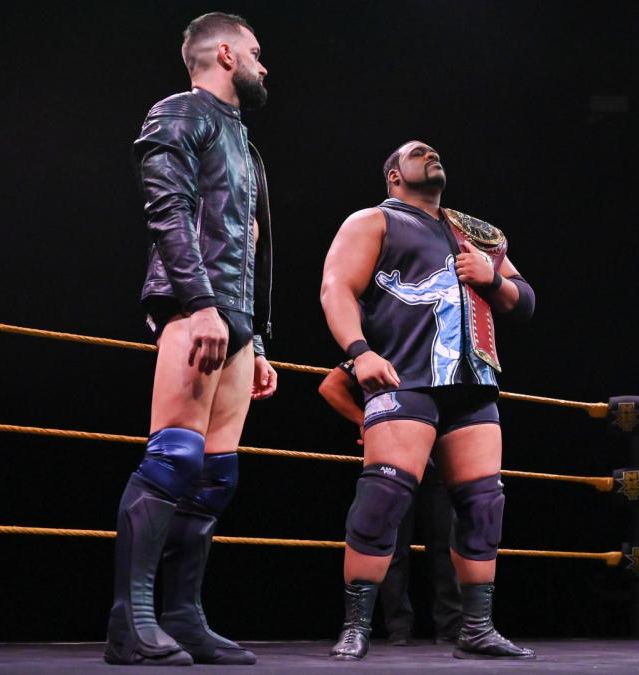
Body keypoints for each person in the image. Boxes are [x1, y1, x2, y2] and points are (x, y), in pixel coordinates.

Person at [104, 12, 276, 666]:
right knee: (174, 457)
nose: (264, 65)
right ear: (226, 53)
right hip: (193, 306)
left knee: (214, 474)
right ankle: (130, 622)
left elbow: (250, 245)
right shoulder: (182, 112)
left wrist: (256, 340)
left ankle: (182, 615)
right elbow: (167, 211)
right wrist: (200, 305)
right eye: (256, 52)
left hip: (234, 320)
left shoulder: (244, 145)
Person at [319, 140, 535, 660]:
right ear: (394, 175)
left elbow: (525, 300)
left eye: (435, 152)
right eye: (418, 153)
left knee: (484, 504)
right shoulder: (374, 221)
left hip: (472, 383)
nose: (431, 154)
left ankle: (476, 628)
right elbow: (336, 288)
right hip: (404, 378)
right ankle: (356, 626)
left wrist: (491, 278)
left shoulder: (473, 234)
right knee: (383, 500)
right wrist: (359, 352)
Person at [318, 364, 463, 645]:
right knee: (390, 544)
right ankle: (398, 628)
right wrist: (364, 420)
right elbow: (330, 386)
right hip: (394, 455)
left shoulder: (443, 350)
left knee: (446, 544)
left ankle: (450, 627)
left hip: (438, 457)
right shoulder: (380, 350)